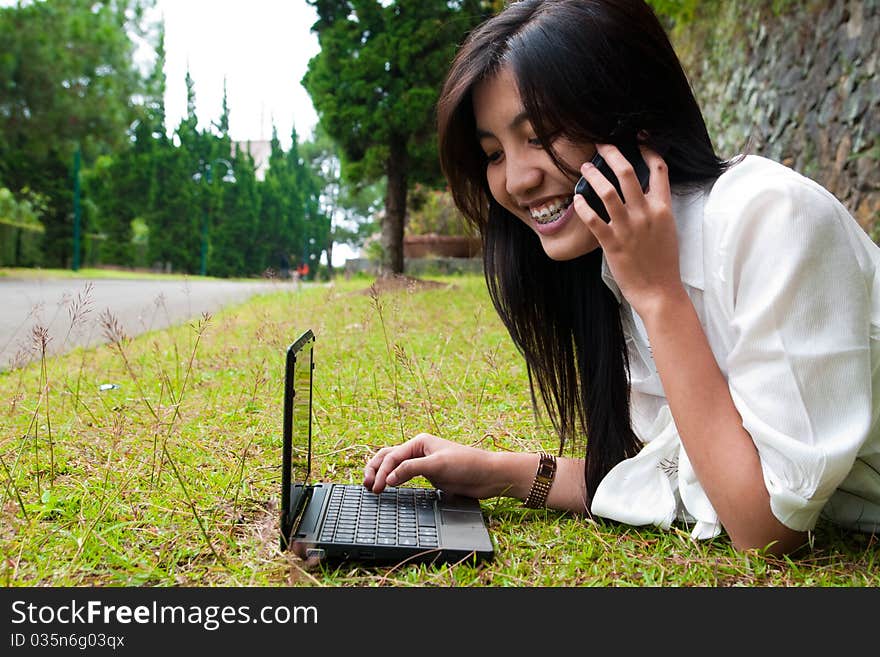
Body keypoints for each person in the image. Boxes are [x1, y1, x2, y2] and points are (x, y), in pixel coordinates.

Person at [363, 0, 880, 555]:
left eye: (539, 135)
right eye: (494, 153)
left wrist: (659, 296)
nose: (516, 180)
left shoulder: (771, 219)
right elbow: (681, 472)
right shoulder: (616, 262)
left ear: (634, 119)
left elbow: (765, 532)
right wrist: (497, 472)